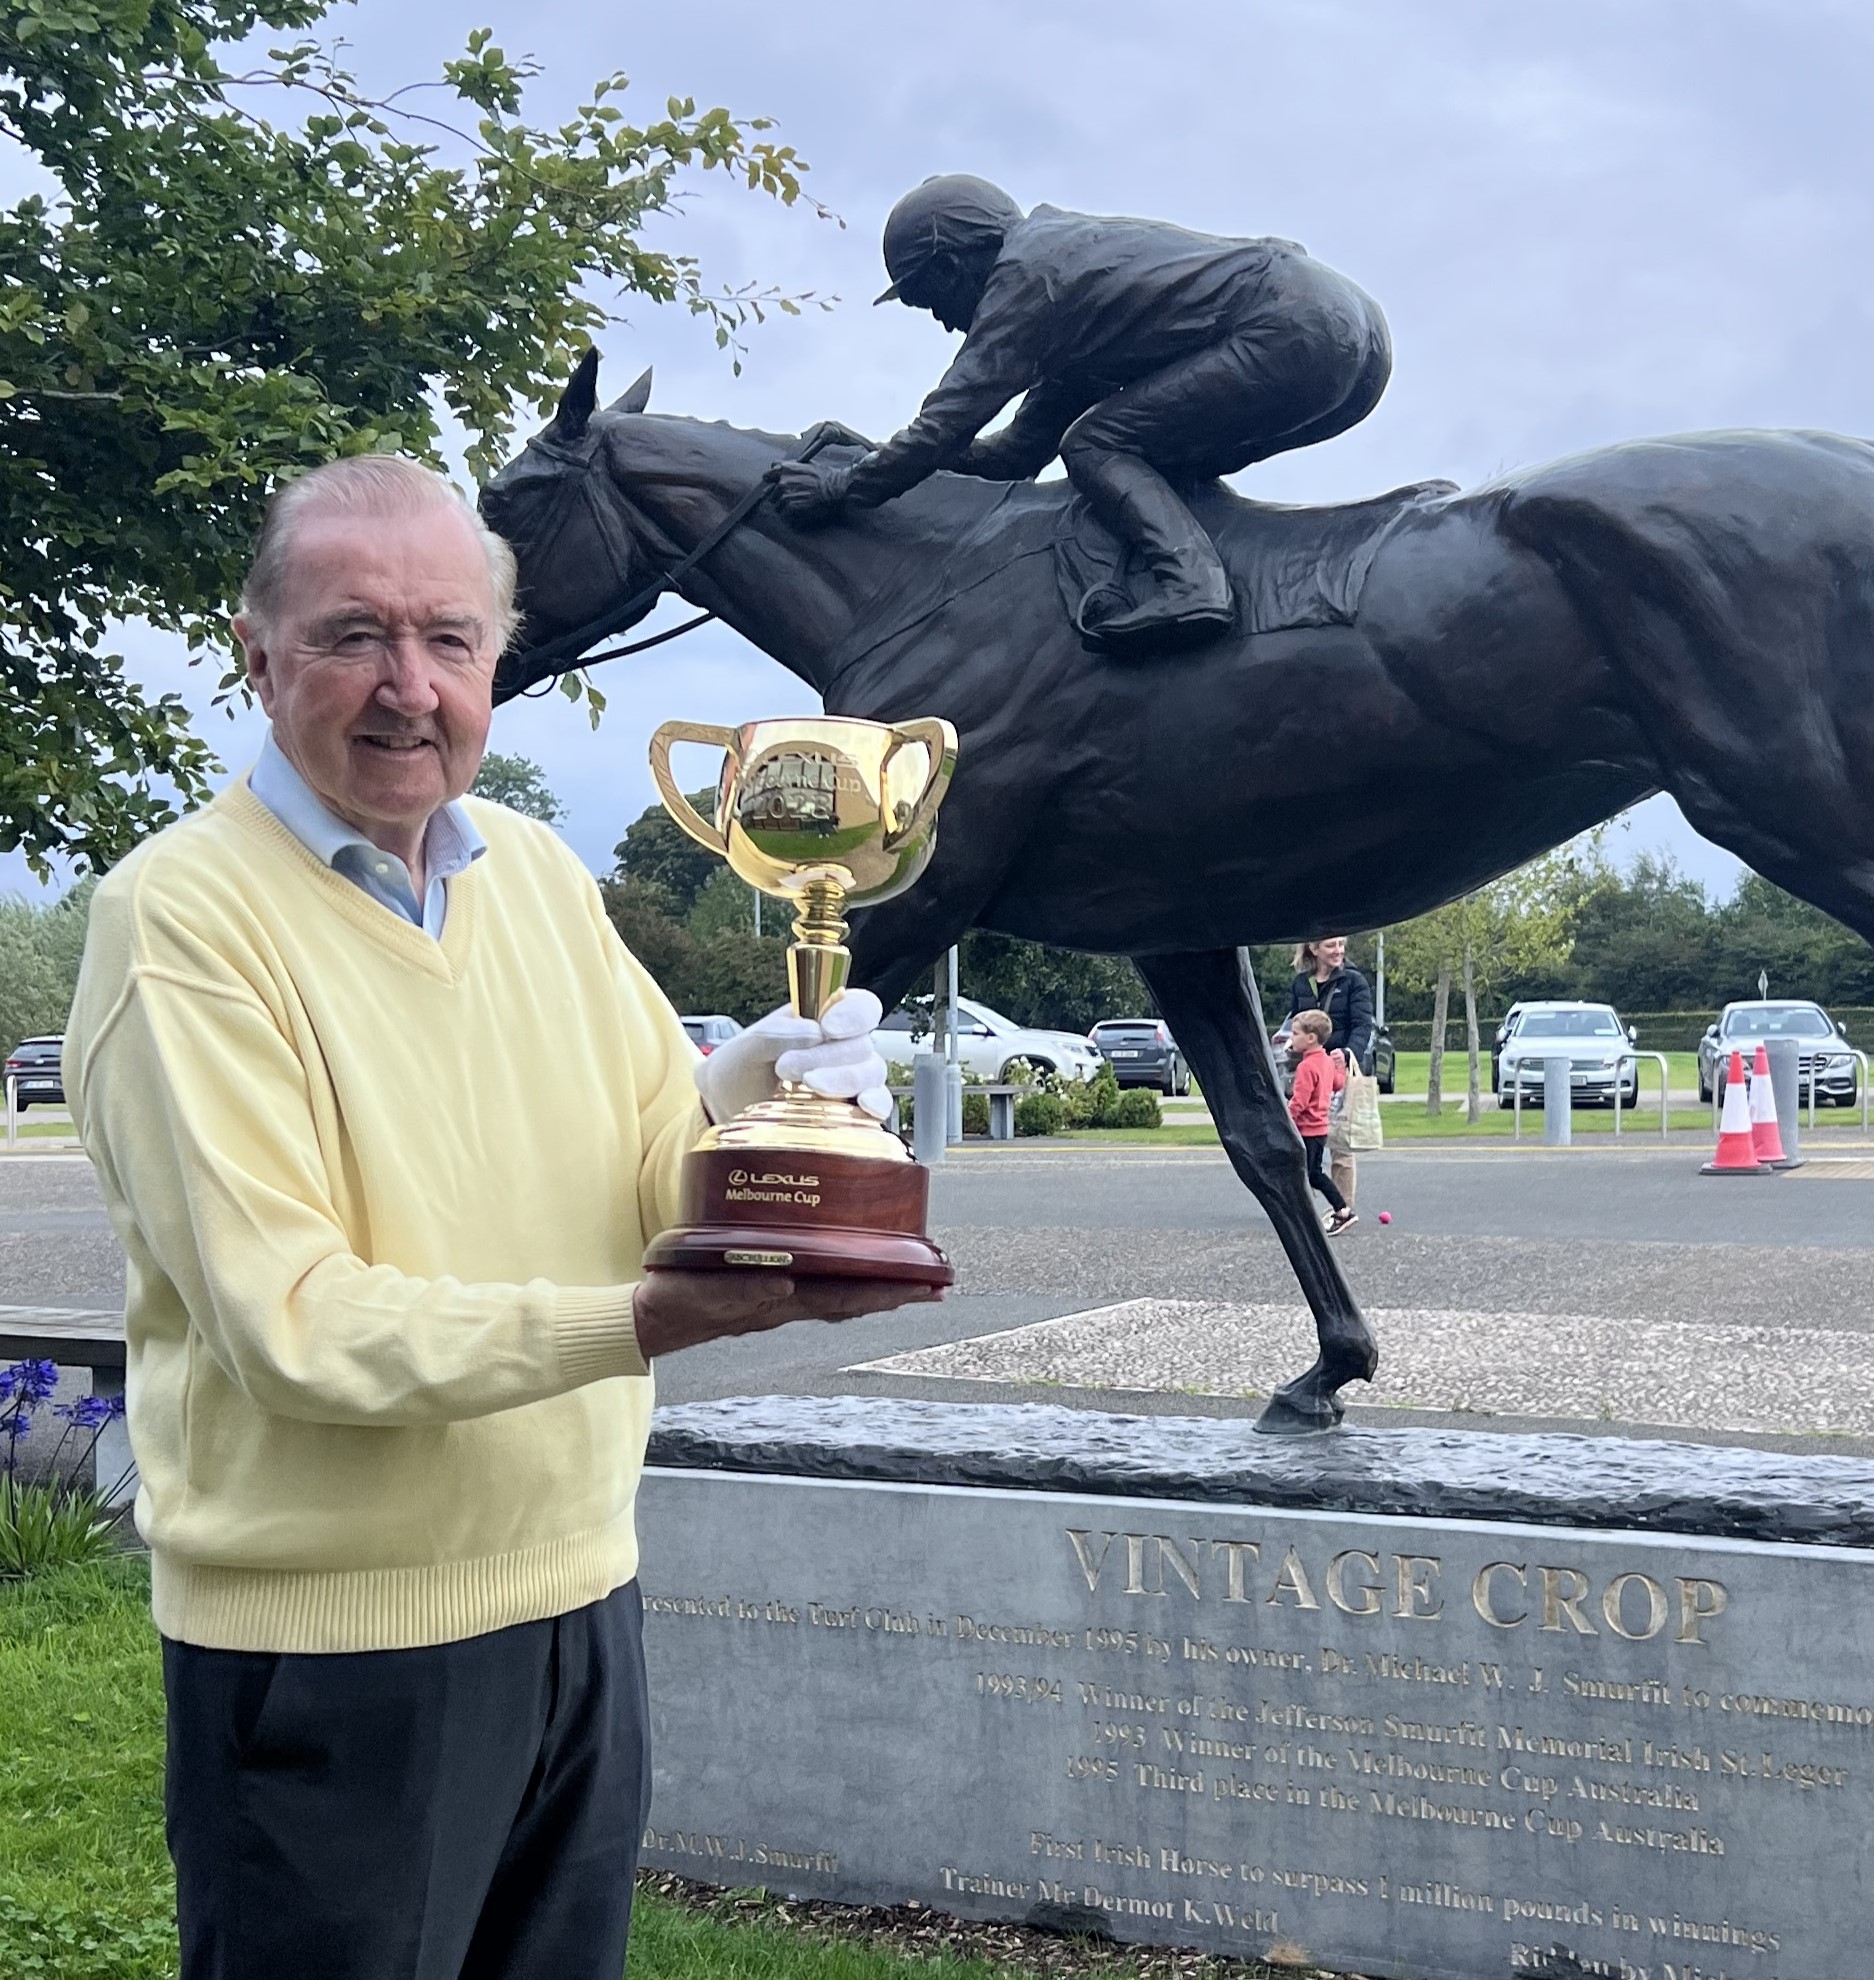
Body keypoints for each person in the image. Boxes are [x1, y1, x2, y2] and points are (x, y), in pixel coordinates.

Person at [62, 454, 938, 1980]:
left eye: (450, 639)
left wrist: (758, 1095)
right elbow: (296, 1328)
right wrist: (642, 1321)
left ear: (495, 660)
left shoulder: (531, 868)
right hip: (327, 1651)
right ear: (257, 658)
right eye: (353, 636)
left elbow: (642, 1150)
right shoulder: (180, 916)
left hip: (577, 1594)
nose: (410, 687)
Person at [767, 172, 1392, 653]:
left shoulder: (1027, 279)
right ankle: (1216, 570)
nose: (938, 319)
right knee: (1150, 458)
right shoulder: (1079, 295)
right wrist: (876, 456)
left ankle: (1192, 585)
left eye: (927, 299)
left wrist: (840, 487)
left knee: (1095, 444)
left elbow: (943, 427)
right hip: (1352, 338)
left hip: (1292, 327)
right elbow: (1013, 457)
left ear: (951, 266)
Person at [1287, 934, 1375, 1210]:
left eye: (1341, 945)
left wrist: (1348, 1053)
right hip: (1309, 1069)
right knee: (1303, 1136)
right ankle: (1305, 1206)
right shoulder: (1302, 983)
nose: (1338, 951)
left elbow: (1363, 1025)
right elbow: (1296, 1022)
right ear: (1313, 948)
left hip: (1338, 1069)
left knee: (1340, 1141)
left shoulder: (1353, 981)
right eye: (1331, 945)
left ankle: (1342, 1207)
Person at [1285, 1010, 1355, 1237]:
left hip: (1306, 1129)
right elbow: (1337, 1084)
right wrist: (1340, 1068)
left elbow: (1300, 1102)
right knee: (1308, 1172)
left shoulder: (1306, 1067)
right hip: (1320, 1128)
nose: (1291, 1038)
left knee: (1311, 1174)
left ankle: (1342, 1210)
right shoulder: (1325, 1061)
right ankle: (1310, 1212)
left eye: (1295, 1033)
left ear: (1311, 1037)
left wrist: (1286, 1120)